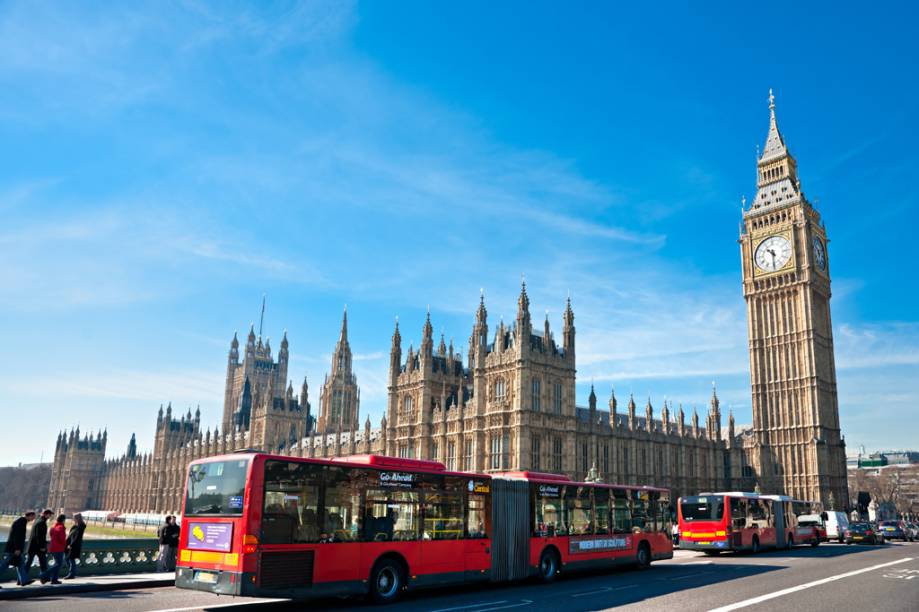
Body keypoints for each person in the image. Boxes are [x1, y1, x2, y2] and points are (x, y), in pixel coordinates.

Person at [2, 511, 35, 588]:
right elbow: (17, 537)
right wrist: (17, 548)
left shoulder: (21, 521)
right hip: (14, 549)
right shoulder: (21, 523)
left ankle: (24, 581)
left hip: (13, 548)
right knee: (4, 565)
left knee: (20, 564)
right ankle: (24, 580)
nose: (33, 519)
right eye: (33, 517)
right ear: (29, 516)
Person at [20, 509, 53, 586]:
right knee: (42, 562)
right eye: (49, 514)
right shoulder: (41, 522)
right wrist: (42, 546)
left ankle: (21, 579)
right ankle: (43, 578)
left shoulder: (37, 521)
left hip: (32, 546)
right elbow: (39, 536)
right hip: (37, 547)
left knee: (29, 563)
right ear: (46, 514)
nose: (50, 516)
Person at [39, 514, 67, 584]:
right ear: (63, 520)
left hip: (52, 547)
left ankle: (54, 579)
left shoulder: (53, 527)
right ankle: (44, 575)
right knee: (59, 564)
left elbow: (51, 535)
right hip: (58, 548)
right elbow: (62, 539)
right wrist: (65, 544)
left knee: (57, 563)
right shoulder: (61, 528)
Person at [64, 513, 86, 579]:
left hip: (74, 545)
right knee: (68, 558)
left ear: (77, 518)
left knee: (71, 559)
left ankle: (71, 574)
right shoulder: (75, 526)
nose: (73, 519)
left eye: (74, 518)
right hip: (69, 544)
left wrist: (71, 545)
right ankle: (72, 573)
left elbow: (77, 537)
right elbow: (71, 535)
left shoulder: (81, 526)